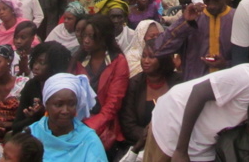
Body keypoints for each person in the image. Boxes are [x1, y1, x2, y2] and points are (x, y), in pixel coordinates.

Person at [154, 0, 235, 81]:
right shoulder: (193, 19)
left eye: (217, 0)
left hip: (228, 87)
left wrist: (225, 64)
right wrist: (184, 22)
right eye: (207, 0)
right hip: (195, 89)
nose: (211, 5)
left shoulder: (237, 18)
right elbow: (159, 49)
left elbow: (247, 60)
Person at [71, 14, 129, 152]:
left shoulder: (118, 62)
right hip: (77, 121)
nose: (85, 40)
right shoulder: (79, 60)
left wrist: (89, 126)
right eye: (84, 35)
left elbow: (112, 105)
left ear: (104, 38)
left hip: (104, 126)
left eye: (91, 37)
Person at [120, 43, 183, 159]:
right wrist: (151, 137)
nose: (146, 61)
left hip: (175, 143)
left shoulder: (179, 81)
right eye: (143, 56)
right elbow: (128, 125)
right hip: (142, 145)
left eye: (151, 57)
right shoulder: (134, 84)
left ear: (163, 58)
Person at [26, 72, 108, 161]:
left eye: (71, 104)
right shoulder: (31, 134)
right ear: (46, 104)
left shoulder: (89, 140)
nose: (65, 111)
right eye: (59, 104)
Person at [12, 42, 72, 134]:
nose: (35, 67)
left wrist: (45, 113)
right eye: (35, 62)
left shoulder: (66, 90)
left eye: (42, 63)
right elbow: (16, 126)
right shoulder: (31, 85)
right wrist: (34, 117)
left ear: (55, 66)